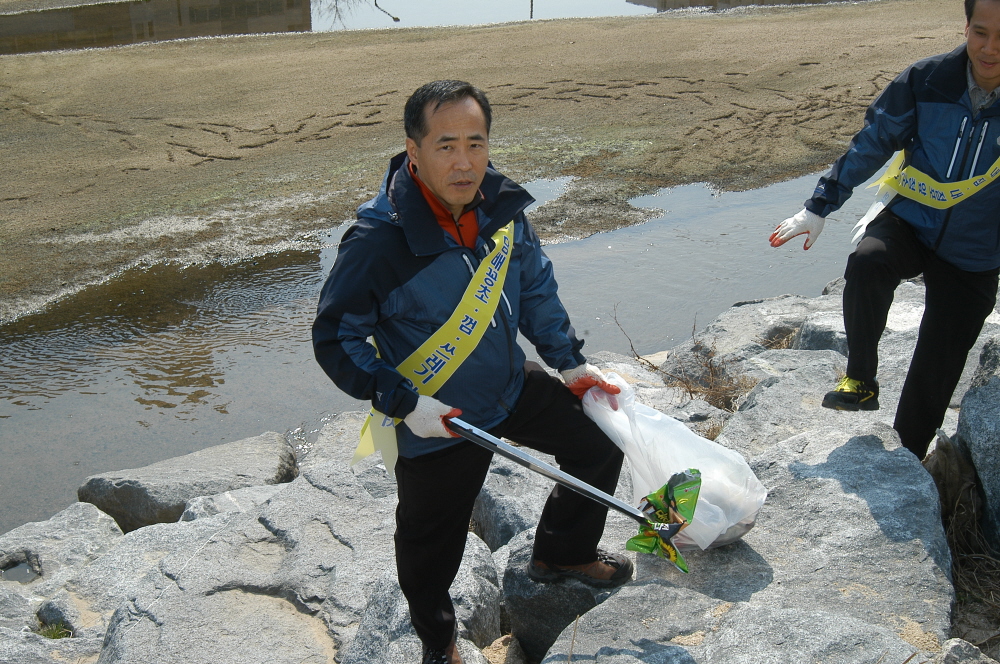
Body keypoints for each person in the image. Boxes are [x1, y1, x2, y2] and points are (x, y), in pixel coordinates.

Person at [312, 80, 631, 664]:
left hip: (508, 386)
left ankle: (562, 553)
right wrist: (404, 403)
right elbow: (336, 338)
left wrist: (570, 363)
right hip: (439, 417)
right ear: (414, 151)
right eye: (446, 146)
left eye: (476, 144)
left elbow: (534, 286)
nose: (465, 163)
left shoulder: (501, 208)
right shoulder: (377, 243)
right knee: (429, 547)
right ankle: (441, 645)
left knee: (599, 440)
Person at [769, 0, 1000, 460]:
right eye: (980, 33)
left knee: (936, 373)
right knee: (868, 260)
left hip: (976, 251)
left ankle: (908, 462)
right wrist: (819, 206)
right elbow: (873, 142)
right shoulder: (926, 79)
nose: (990, 49)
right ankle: (861, 380)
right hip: (911, 222)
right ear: (966, 27)